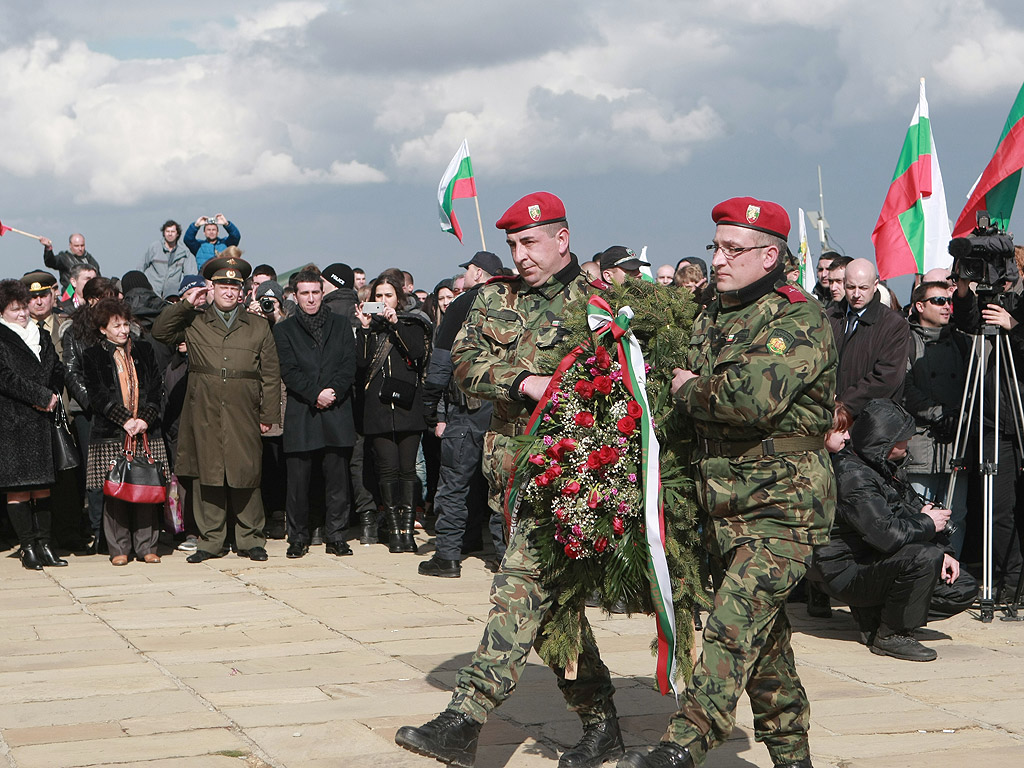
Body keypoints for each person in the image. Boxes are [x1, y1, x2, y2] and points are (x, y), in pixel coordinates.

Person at [396, 192, 623, 768]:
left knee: (518, 587)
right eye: (513, 245)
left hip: (575, 474)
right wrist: (523, 380)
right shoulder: (494, 298)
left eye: (530, 242)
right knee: (550, 609)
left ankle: (465, 717)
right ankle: (602, 723)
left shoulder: (601, 303)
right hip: (510, 471)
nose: (520, 255)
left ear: (562, 238)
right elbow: (464, 366)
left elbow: (625, 381)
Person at [622, 197, 836, 768]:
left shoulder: (798, 317)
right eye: (716, 246)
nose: (718, 259)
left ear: (770, 256)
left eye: (733, 249)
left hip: (785, 505)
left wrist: (689, 389)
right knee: (763, 646)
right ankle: (794, 756)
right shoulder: (712, 315)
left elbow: (752, 399)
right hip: (724, 502)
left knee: (730, 626)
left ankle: (682, 745)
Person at [809, 399, 977, 660]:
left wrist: (943, 549)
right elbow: (887, 535)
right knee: (924, 557)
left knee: (961, 586)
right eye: (903, 439)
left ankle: (878, 616)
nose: (907, 444)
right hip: (845, 570)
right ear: (884, 441)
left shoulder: (884, 467)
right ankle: (892, 634)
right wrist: (928, 524)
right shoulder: (853, 475)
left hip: (876, 561)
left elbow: (910, 512)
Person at [152, 253, 280, 563]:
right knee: (207, 474)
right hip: (204, 409)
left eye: (234, 286)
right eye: (222, 285)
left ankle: (250, 538)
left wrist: (269, 415)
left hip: (243, 409)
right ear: (212, 287)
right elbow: (159, 332)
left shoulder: (257, 326)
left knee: (246, 472)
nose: (228, 291)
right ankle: (211, 541)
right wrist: (186, 302)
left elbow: (271, 373)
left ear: (242, 291)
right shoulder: (195, 320)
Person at [418, 251, 503, 578]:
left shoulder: (463, 303)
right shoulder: (516, 302)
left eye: (468, 270)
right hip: (502, 406)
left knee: (454, 484)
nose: (465, 275)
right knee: (500, 486)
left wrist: (430, 406)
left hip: (466, 409)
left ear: (479, 274)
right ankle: (502, 555)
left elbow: (441, 361)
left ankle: (448, 555)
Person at [273, 269, 357, 558]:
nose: (310, 299)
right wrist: (315, 394)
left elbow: (349, 364)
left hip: (337, 409)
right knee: (298, 483)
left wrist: (332, 391)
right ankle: (298, 538)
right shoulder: (284, 329)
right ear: (295, 296)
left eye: (315, 292)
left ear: (323, 293)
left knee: (337, 482)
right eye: (305, 293)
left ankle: (337, 536)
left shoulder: (341, 324)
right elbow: (289, 371)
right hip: (303, 412)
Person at [82, 299, 167, 566]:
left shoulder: (144, 350)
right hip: (111, 431)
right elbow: (96, 395)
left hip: (144, 431)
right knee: (116, 491)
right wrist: (124, 419)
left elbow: (156, 388)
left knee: (145, 488)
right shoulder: (92, 355)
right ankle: (118, 548)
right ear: (102, 329)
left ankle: (147, 547)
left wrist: (144, 418)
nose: (123, 330)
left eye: (126, 324)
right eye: (116, 325)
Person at [355, 274, 429, 554]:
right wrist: (363, 329)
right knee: (387, 470)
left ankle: (408, 530)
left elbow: (417, 353)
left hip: (408, 407)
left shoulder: (412, 323)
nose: (383, 301)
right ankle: (394, 529)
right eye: (378, 296)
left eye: (388, 296)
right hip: (378, 409)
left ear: (399, 298)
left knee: (407, 470)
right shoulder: (369, 329)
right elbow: (360, 364)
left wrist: (396, 324)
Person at [0, 279, 66, 570]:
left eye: (23, 307)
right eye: (15, 309)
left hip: (42, 420)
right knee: (19, 488)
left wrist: (51, 394)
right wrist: (39, 396)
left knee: (42, 488)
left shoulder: (41, 334)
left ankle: (46, 545)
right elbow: (5, 378)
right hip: (13, 421)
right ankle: (28, 547)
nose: (22, 314)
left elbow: (57, 368)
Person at [904, 281, 968, 556]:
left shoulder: (961, 340)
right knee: (920, 513)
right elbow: (904, 387)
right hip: (921, 441)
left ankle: (954, 574)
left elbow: (973, 383)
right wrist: (937, 413)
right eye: (938, 301)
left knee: (956, 515)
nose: (946, 306)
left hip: (957, 441)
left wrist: (960, 416)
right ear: (920, 306)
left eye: (948, 300)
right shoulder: (905, 339)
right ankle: (923, 570)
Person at [826, 258, 911, 417]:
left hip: (870, 422)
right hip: (827, 418)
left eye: (863, 288)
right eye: (851, 287)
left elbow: (887, 378)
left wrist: (842, 404)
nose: (856, 294)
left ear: (875, 285)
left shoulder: (894, 325)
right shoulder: (829, 318)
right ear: (844, 283)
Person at [143, 220, 198, 299]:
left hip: (172, 295)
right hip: (152, 291)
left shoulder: (184, 252)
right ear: (164, 233)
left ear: (177, 233)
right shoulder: (154, 248)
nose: (170, 234)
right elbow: (141, 267)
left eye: (172, 231)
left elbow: (190, 275)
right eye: (167, 231)